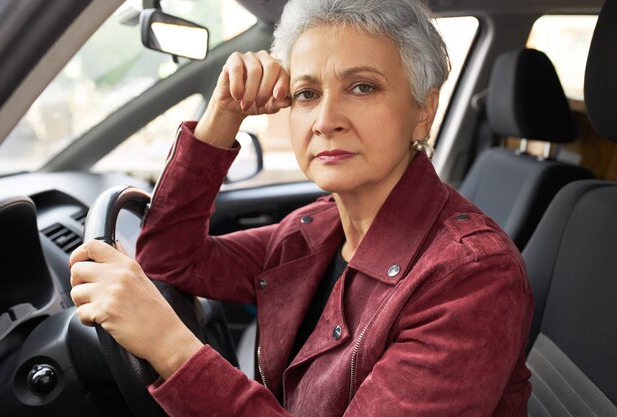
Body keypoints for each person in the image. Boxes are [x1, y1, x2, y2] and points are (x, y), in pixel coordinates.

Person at [69, 0, 534, 415]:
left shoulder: (471, 278)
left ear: (424, 110)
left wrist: (170, 347)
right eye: (306, 94)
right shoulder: (314, 228)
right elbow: (169, 259)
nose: (326, 121)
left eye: (362, 87)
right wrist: (225, 112)